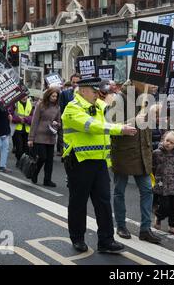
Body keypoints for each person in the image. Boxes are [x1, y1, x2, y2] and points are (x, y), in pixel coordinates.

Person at [61, 77, 137, 253]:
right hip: (80, 161)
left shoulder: (100, 106)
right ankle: (78, 238)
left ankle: (106, 240)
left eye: (100, 91)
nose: (98, 94)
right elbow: (92, 126)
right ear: (83, 90)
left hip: (99, 162)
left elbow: (114, 118)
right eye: (95, 91)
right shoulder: (72, 108)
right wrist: (120, 129)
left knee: (103, 202)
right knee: (78, 202)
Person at [109, 80, 162, 244]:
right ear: (135, 81)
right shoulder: (119, 99)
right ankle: (121, 225)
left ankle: (145, 229)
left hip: (142, 153)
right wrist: (133, 120)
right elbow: (111, 127)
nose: (153, 84)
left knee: (147, 190)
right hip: (124, 152)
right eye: (146, 80)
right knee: (119, 191)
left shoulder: (147, 99)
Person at [152, 131, 174, 235]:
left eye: (172, 142)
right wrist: (155, 180)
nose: (168, 143)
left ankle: (172, 225)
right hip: (161, 184)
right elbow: (152, 167)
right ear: (163, 139)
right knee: (164, 206)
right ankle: (159, 216)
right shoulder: (156, 153)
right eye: (167, 140)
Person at [28, 88, 61, 187]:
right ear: (48, 95)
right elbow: (34, 122)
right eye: (53, 96)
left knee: (50, 160)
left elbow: (59, 122)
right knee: (42, 157)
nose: (54, 98)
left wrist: (57, 124)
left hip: (51, 136)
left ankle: (47, 180)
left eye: (56, 96)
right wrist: (30, 138)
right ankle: (35, 173)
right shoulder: (40, 105)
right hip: (39, 136)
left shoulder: (57, 107)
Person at [11, 96, 34, 167]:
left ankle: (23, 162)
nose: (24, 98)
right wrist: (19, 119)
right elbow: (11, 115)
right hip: (17, 129)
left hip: (27, 129)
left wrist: (25, 119)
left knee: (26, 148)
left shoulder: (30, 103)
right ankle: (19, 161)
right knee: (19, 148)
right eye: (23, 96)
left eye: (26, 96)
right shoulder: (15, 103)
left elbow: (33, 116)